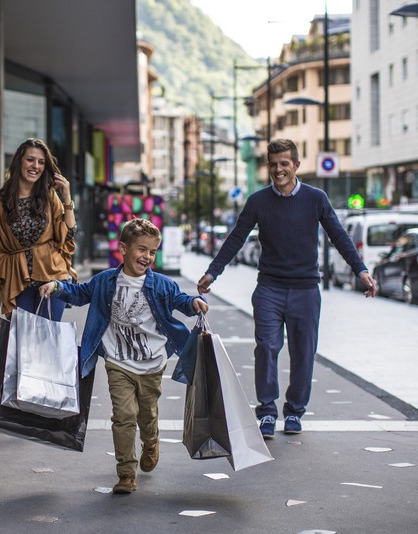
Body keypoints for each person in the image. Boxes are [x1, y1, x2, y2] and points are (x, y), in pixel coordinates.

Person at [196, 139, 378, 440]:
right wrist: (212, 272)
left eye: (284, 164)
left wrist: (361, 270)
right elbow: (236, 238)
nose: (278, 169)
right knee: (266, 347)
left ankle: (294, 410)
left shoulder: (315, 198)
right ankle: (267, 411)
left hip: (306, 289)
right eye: (273, 164)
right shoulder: (258, 201)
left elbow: (339, 236)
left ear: (296, 165)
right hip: (269, 287)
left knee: (304, 353)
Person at [39, 218, 208, 494]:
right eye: (142, 249)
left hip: (152, 363)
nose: (147, 257)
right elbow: (80, 293)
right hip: (118, 362)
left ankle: (151, 441)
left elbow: (180, 300)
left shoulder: (161, 284)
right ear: (123, 249)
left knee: (147, 415)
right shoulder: (106, 281)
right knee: (123, 416)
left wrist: (193, 302)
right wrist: (57, 287)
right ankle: (126, 473)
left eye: (152, 252)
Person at [0, 138, 77, 320]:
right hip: (17, 280)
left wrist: (67, 197)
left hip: (52, 276)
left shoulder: (50, 196)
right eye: (30, 159)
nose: (35, 166)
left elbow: (68, 233)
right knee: (23, 343)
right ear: (19, 161)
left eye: (41, 162)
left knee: (48, 339)